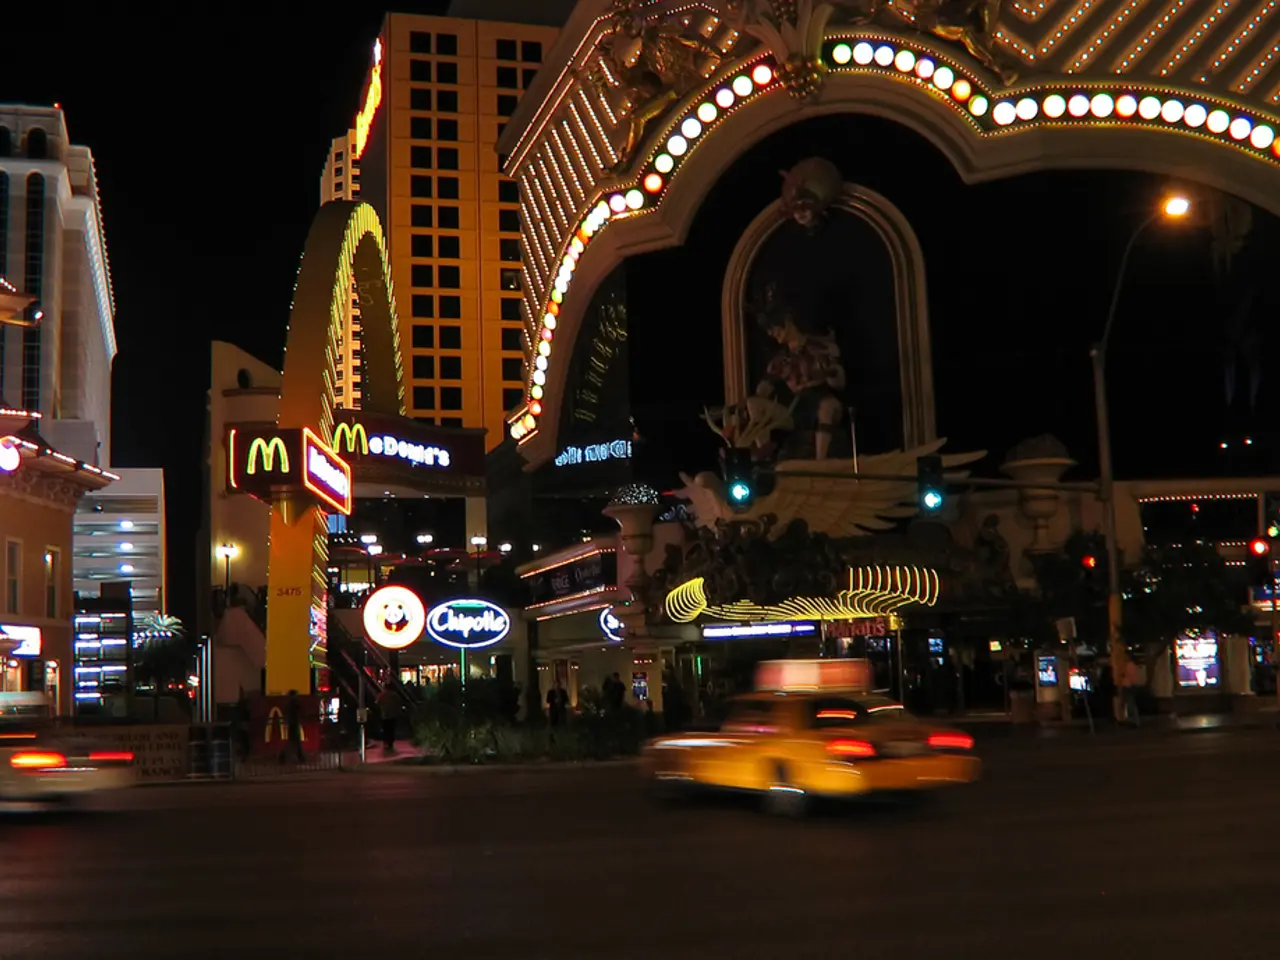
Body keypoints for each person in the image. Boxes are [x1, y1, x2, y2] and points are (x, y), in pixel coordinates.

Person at [282, 690, 304, 764]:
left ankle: (284, 757)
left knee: (292, 742)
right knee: (295, 742)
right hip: (294, 724)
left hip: (292, 724)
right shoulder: (294, 703)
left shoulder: (288, 703)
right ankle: (300, 757)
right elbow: (299, 711)